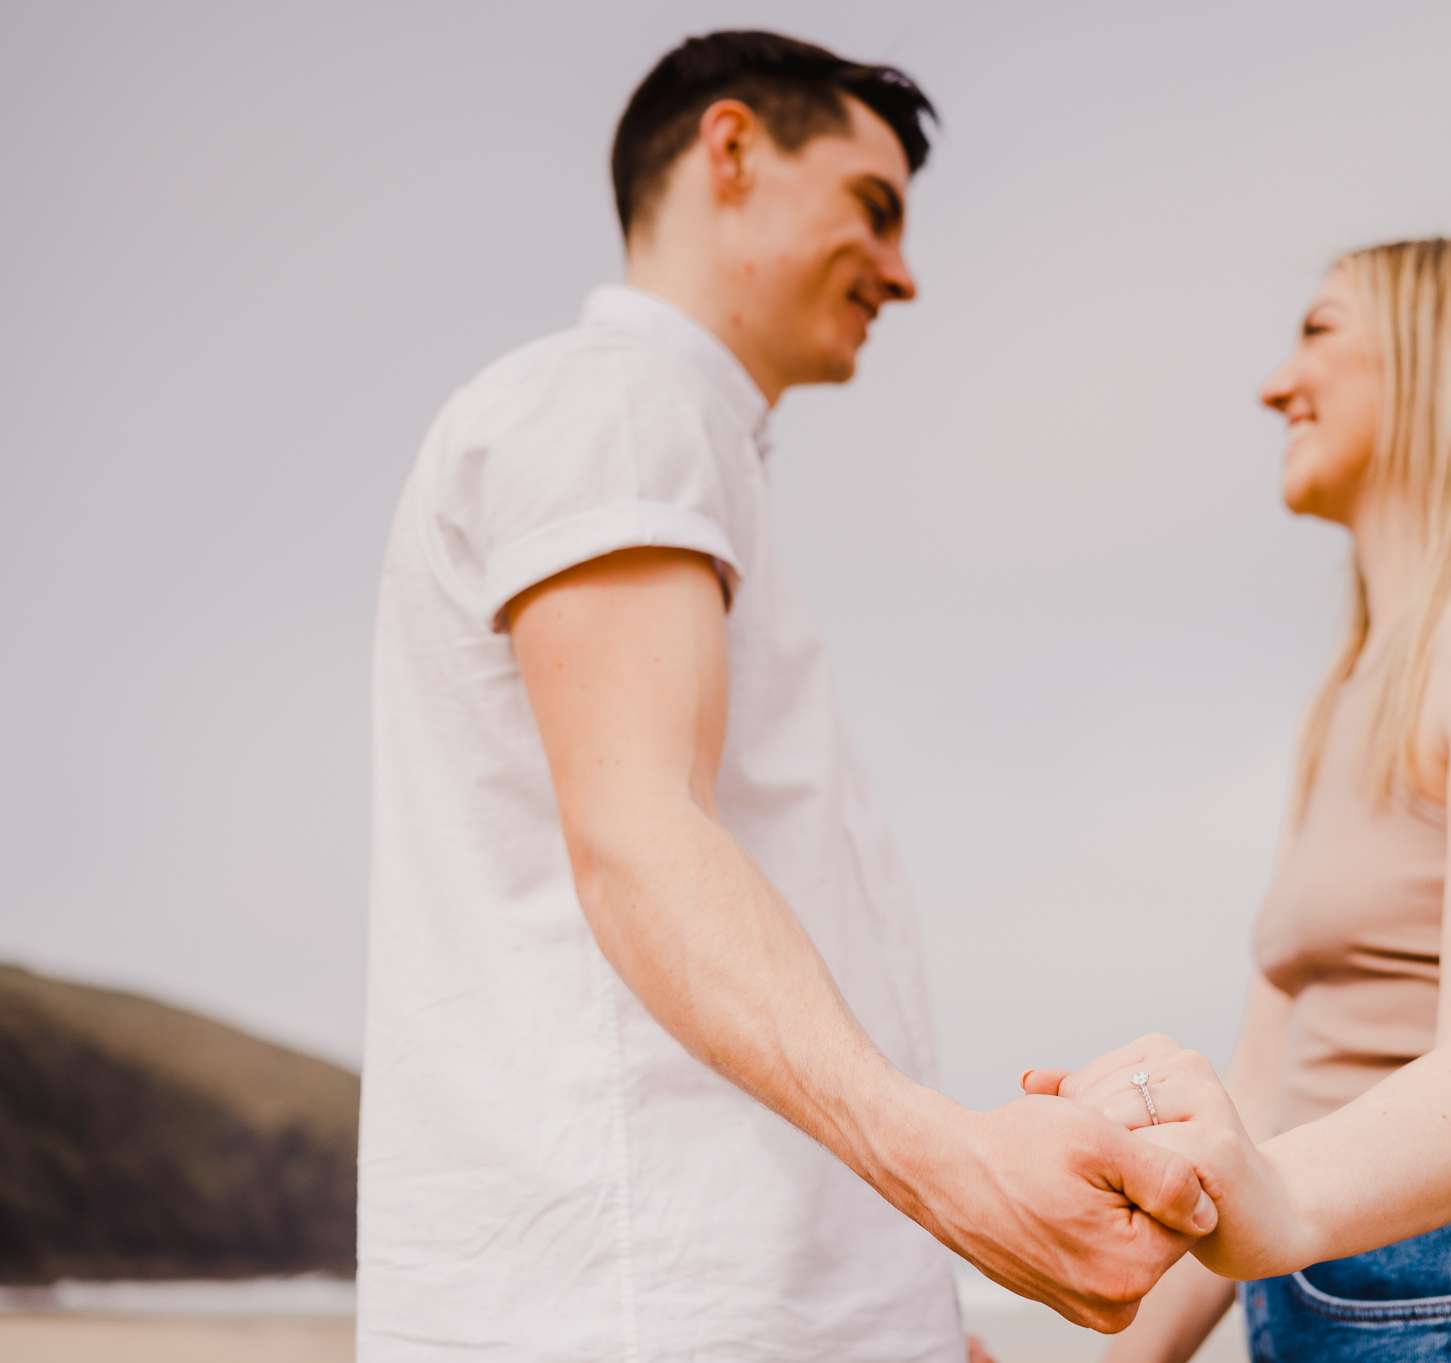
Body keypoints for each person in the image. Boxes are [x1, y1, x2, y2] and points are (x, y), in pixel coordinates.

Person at [359, 30, 1215, 1363]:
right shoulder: (618, 404)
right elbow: (639, 840)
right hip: (650, 1310)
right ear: (734, 150)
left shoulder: (668, 440)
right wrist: (961, 1175)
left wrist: (915, 1310)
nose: (905, 272)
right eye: (873, 209)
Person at [1025, 239, 1451, 1362]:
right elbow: (1268, 1092)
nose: (1272, 385)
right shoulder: (1350, 691)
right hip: (1331, 1278)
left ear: (1441, 364)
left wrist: (1276, 1198)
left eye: (1319, 332)